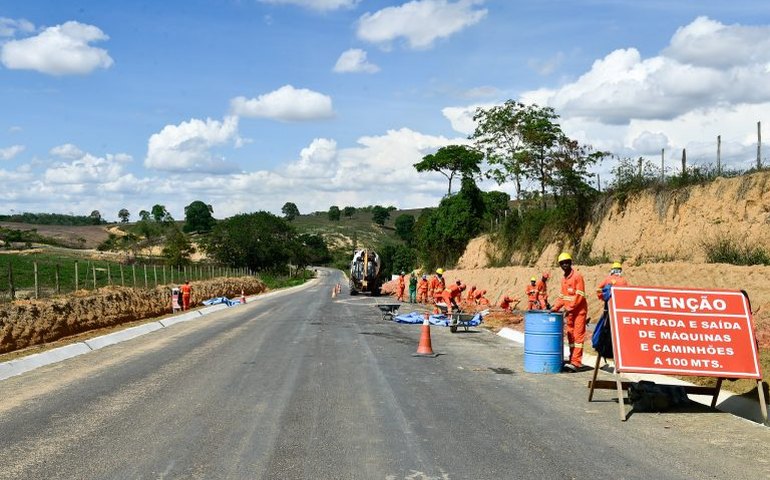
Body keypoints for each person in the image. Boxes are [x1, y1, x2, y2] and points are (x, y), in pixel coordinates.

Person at [551, 252, 588, 372]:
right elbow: (562, 296)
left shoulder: (577, 276)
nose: (565, 265)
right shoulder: (564, 279)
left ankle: (576, 362)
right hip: (570, 313)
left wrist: (569, 308)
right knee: (570, 336)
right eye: (562, 263)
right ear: (560, 265)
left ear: (571, 263)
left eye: (567, 262)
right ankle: (572, 359)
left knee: (578, 337)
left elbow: (580, 295)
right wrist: (555, 308)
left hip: (579, 312)